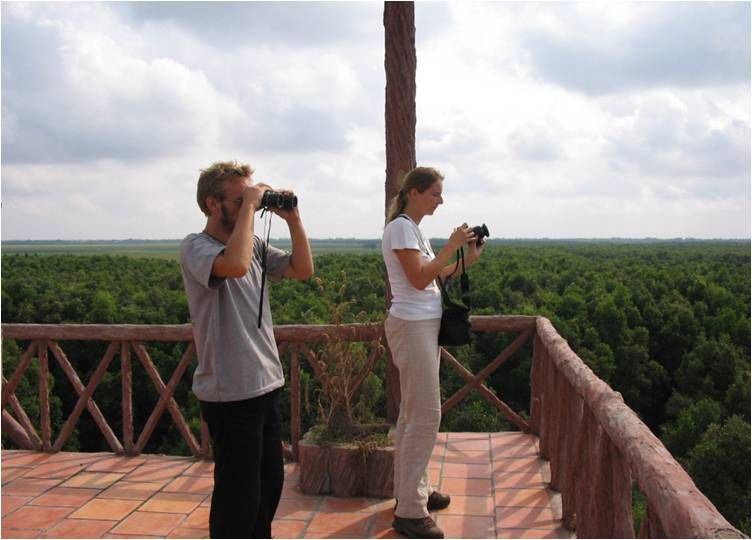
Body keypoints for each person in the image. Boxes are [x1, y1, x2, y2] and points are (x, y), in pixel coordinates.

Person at [180, 160, 313, 538]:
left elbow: (302, 269)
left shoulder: (251, 242)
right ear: (211, 204)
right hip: (229, 392)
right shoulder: (196, 247)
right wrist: (253, 208)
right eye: (238, 200)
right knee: (238, 498)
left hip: (264, 383)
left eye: (249, 198)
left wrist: (293, 218)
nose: (247, 205)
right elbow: (234, 266)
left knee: (268, 487)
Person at [382, 166, 485, 539]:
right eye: (435, 194)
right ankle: (410, 511)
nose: (441, 200)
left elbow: (434, 275)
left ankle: (414, 493)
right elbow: (419, 279)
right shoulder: (400, 228)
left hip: (424, 324)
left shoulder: (414, 230)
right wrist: (451, 246)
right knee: (425, 415)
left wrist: (467, 259)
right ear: (414, 192)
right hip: (411, 326)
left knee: (413, 415)